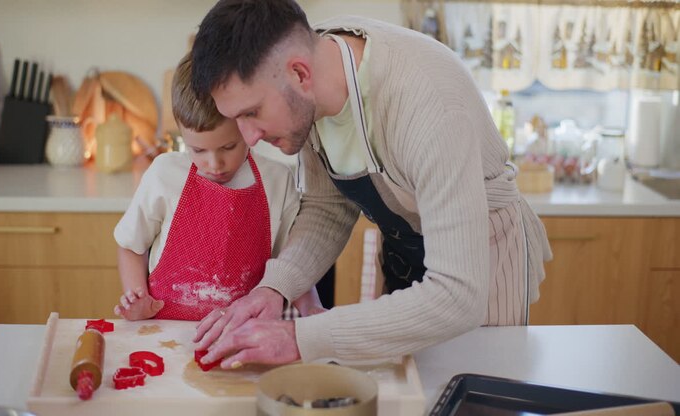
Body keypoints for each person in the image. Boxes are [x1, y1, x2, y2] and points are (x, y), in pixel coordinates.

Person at [189, 0, 552, 369]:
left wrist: (300, 339)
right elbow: (327, 209)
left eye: (252, 112)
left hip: (480, 265)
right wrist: (276, 287)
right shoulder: (313, 75)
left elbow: (457, 295)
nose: (248, 137)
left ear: (300, 74)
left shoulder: (429, 107)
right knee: (406, 394)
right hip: (405, 253)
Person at [113, 52, 325, 322]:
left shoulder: (278, 181)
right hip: (163, 330)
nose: (215, 164)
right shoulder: (164, 174)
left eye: (228, 147)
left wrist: (313, 311)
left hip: (242, 333)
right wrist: (137, 297)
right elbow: (131, 246)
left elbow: (293, 264)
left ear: (249, 127)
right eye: (198, 149)